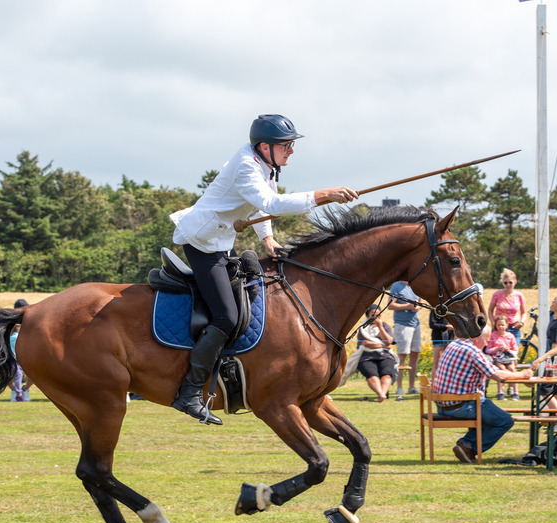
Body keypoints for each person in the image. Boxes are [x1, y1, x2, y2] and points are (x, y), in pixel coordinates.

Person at [169, 114, 358, 425]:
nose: (292, 151)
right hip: (203, 242)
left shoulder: (265, 165)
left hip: (220, 239)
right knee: (226, 316)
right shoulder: (246, 165)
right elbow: (269, 202)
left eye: (291, 145)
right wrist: (326, 194)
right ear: (264, 146)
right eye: (286, 145)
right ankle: (189, 392)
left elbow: (257, 207)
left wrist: (267, 239)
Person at [432, 325, 533, 464]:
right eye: (486, 340)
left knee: (492, 413)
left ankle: (466, 445)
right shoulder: (473, 351)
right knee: (505, 420)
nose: (486, 344)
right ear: (475, 337)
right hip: (461, 405)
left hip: (442, 404)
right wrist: (522, 375)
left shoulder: (454, 344)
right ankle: (469, 447)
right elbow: (498, 376)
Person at [530, 294, 557, 415]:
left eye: (556, 301)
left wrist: (539, 360)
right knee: (555, 389)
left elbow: (555, 349)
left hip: (556, 361)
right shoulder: (556, 317)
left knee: (545, 390)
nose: (553, 301)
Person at [356, 305, 397, 402]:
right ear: (367, 316)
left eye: (378, 315)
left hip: (384, 355)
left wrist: (380, 327)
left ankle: (382, 394)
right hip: (367, 356)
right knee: (371, 374)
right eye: (373, 315)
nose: (376, 317)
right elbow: (366, 343)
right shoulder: (363, 328)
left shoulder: (385, 326)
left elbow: (388, 341)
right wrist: (384, 346)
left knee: (387, 373)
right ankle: (381, 394)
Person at [389, 280, 422, 400]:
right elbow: (390, 305)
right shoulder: (396, 286)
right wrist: (408, 306)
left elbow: (419, 302)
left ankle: (411, 387)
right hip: (402, 325)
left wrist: (417, 307)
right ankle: (399, 387)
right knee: (402, 357)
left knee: (415, 355)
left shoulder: (415, 285)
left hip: (416, 324)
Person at [488, 269, 527, 347]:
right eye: (505, 283)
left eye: (510, 282)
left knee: (513, 353)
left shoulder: (519, 296)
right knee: (497, 352)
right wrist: (493, 322)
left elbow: (524, 312)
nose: (508, 285)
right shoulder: (497, 294)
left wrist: (521, 322)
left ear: (515, 282)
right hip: (499, 328)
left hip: (514, 328)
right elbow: (490, 310)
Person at [487, 315, 520, 400]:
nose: (501, 327)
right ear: (496, 325)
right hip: (498, 359)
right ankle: (500, 392)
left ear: (506, 325)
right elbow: (488, 350)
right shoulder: (493, 335)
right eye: (498, 325)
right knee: (502, 369)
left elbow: (516, 350)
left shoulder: (510, 336)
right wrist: (496, 349)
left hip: (508, 358)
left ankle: (516, 392)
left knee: (512, 369)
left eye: (502, 325)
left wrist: (509, 350)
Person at [10, 298, 32, 402]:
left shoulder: (30, 321)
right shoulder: (11, 324)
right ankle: (17, 391)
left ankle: (23, 390)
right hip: (13, 356)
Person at [429, 309, 454, 376]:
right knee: (437, 363)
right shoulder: (435, 308)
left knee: (448, 364)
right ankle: (434, 385)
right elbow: (432, 324)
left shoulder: (452, 308)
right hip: (438, 338)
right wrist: (446, 327)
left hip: (450, 338)